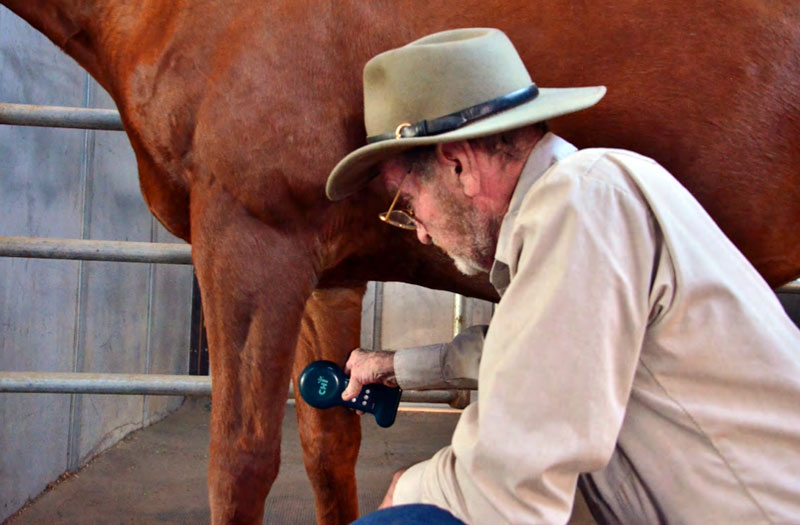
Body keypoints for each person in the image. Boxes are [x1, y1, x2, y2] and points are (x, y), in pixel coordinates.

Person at [324, 28, 800, 524]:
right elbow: (527, 350)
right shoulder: (583, 197)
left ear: (459, 166)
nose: (419, 233)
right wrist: (394, 365)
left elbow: (504, 491)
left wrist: (409, 490)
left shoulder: (579, 202)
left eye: (407, 203)